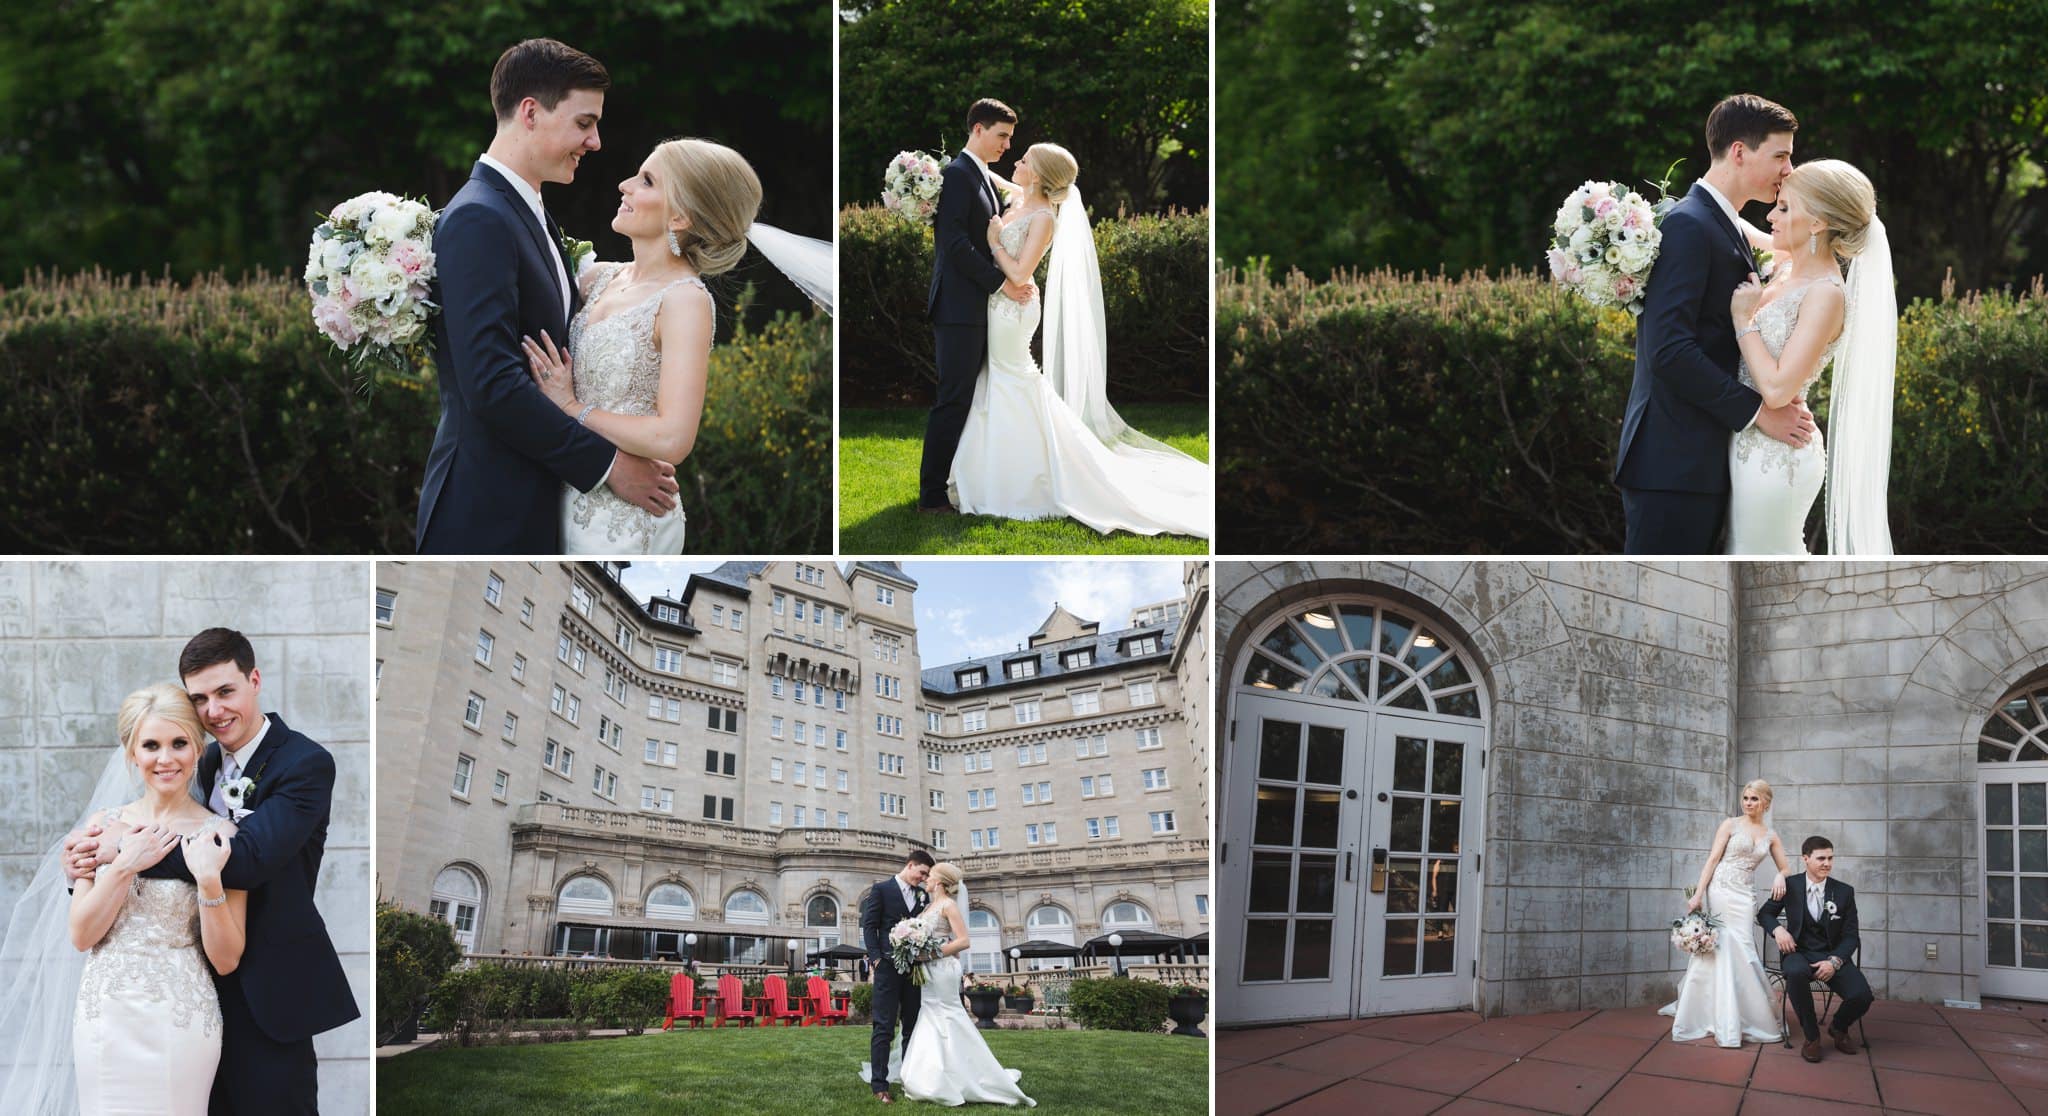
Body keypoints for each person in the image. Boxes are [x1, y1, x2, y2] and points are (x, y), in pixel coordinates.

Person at [415, 37, 680, 553]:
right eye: (584, 123)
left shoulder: (527, 212)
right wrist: (607, 465)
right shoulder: (478, 217)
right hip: (486, 512)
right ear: (531, 113)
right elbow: (491, 384)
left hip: (536, 505)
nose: (595, 141)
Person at [520, 137, 832, 553]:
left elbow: (673, 437)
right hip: (562, 494)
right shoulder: (599, 279)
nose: (625, 186)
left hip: (625, 521)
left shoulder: (685, 300)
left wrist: (572, 408)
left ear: (680, 216)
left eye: (647, 181)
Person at [946, 141, 1211, 537]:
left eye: (1024, 160)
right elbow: (986, 177)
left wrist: (996, 241)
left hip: (1014, 309)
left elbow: (1019, 274)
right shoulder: (1020, 197)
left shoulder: (1044, 218)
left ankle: (1025, 477)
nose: (1016, 160)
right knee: (1002, 379)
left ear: (1037, 173)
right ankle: (994, 469)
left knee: (1013, 380)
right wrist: (944, 169)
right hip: (998, 306)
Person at [1615, 94, 1816, 554]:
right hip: (1672, 467)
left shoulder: (1723, 224)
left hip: (1701, 463)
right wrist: (1759, 413)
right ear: (1740, 152)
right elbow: (1669, 350)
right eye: (1780, 156)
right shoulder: (1689, 225)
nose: (1789, 170)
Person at [1725, 159, 1896, 555]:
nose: (1771, 216)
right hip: (1745, 441)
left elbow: (1777, 390)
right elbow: (1733, 224)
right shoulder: (1788, 264)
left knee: (1763, 566)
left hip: (1776, 459)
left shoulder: (1826, 294)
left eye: (1784, 208)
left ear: (1817, 223)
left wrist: (1743, 320)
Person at [1659, 779, 1793, 1045]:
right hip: (1721, 888)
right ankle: (1715, 1012)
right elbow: (1712, 860)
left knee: (1744, 946)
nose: (1748, 803)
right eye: (1746, 798)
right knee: (1722, 944)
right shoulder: (1730, 825)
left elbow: (1786, 867)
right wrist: (1698, 893)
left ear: (1766, 803)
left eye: (1754, 799)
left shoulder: (1770, 835)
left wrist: (1781, 875)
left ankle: (1745, 1012)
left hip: (1745, 894)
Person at [893, 862, 1035, 1106]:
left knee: (948, 1015)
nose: (926, 879)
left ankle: (964, 1074)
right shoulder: (928, 906)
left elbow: (963, 941)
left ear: (939, 882)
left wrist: (932, 954)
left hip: (941, 969)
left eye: (930, 876)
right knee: (929, 1014)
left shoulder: (948, 905)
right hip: (927, 969)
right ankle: (930, 1074)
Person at [1756, 835, 1875, 1062]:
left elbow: (1851, 936)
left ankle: (1838, 1027)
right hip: (1798, 952)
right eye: (1821, 858)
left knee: (1863, 996)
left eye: (1830, 858)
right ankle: (1812, 1037)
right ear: (1806, 859)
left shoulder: (1844, 892)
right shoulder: (1790, 886)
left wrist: (1834, 962)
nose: (1827, 863)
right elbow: (1764, 914)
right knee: (1795, 972)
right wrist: (1778, 931)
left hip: (1833, 955)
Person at [860, 849, 934, 1103]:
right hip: (887, 968)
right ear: (910, 865)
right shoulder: (881, 889)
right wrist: (876, 959)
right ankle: (880, 1086)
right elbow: (869, 926)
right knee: (884, 1026)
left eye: (926, 876)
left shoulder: (923, 896)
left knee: (911, 1026)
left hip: (914, 971)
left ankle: (909, 1078)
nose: (923, 878)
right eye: (922, 872)